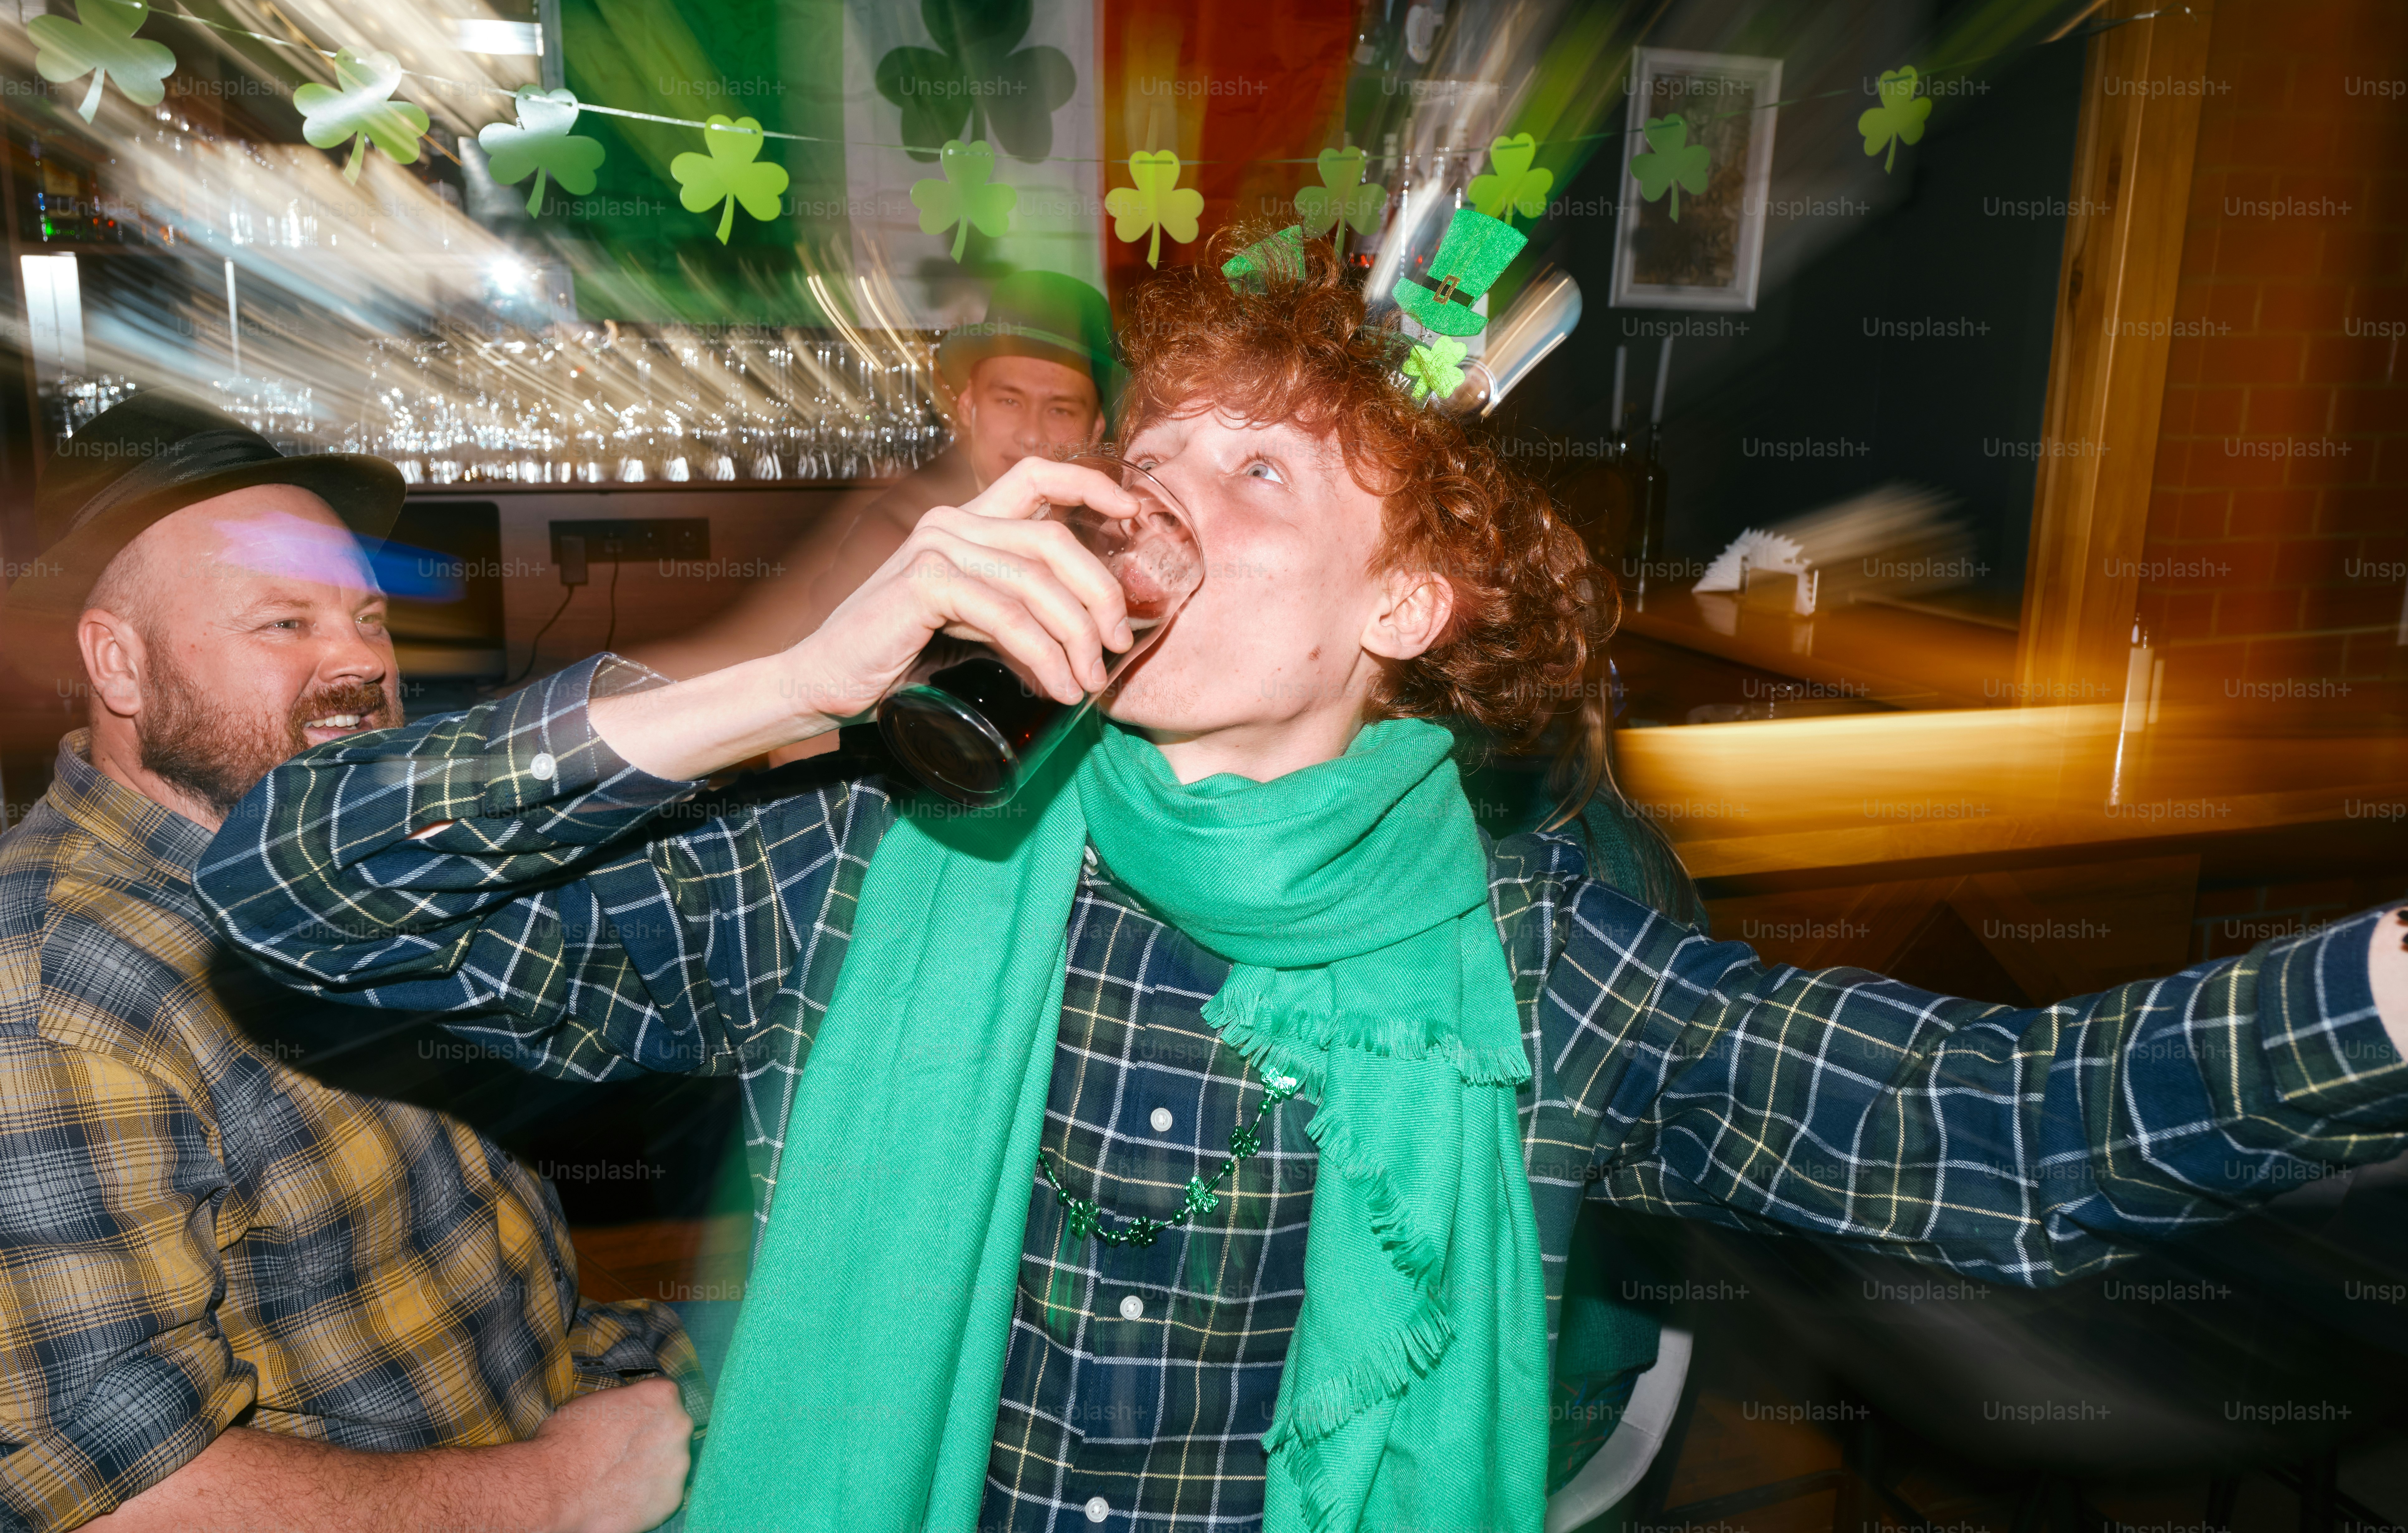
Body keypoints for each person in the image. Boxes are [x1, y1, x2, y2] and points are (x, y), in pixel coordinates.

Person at [196, 235, 2408, 1533]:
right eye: (1144, 462)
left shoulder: (1541, 960)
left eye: (1259, 474)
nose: (1159, 506)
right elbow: (298, 899)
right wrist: (769, 681)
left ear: (1408, 606)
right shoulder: (867, 854)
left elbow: (1989, 1136)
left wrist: (2388, 987)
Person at [0, 393, 694, 1533]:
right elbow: (116, 1500)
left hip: (592, 1398)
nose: (358, 667)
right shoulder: (57, 992)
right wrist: (558, 1493)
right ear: (118, 667)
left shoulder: (342, 859)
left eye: (368, 620)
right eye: (285, 626)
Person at [625, 270, 1122, 714]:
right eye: (1009, 400)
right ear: (970, 406)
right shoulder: (897, 535)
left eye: (1060, 409)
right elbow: (801, 717)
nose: (1031, 434)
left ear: (1096, 426)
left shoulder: (1118, 548)